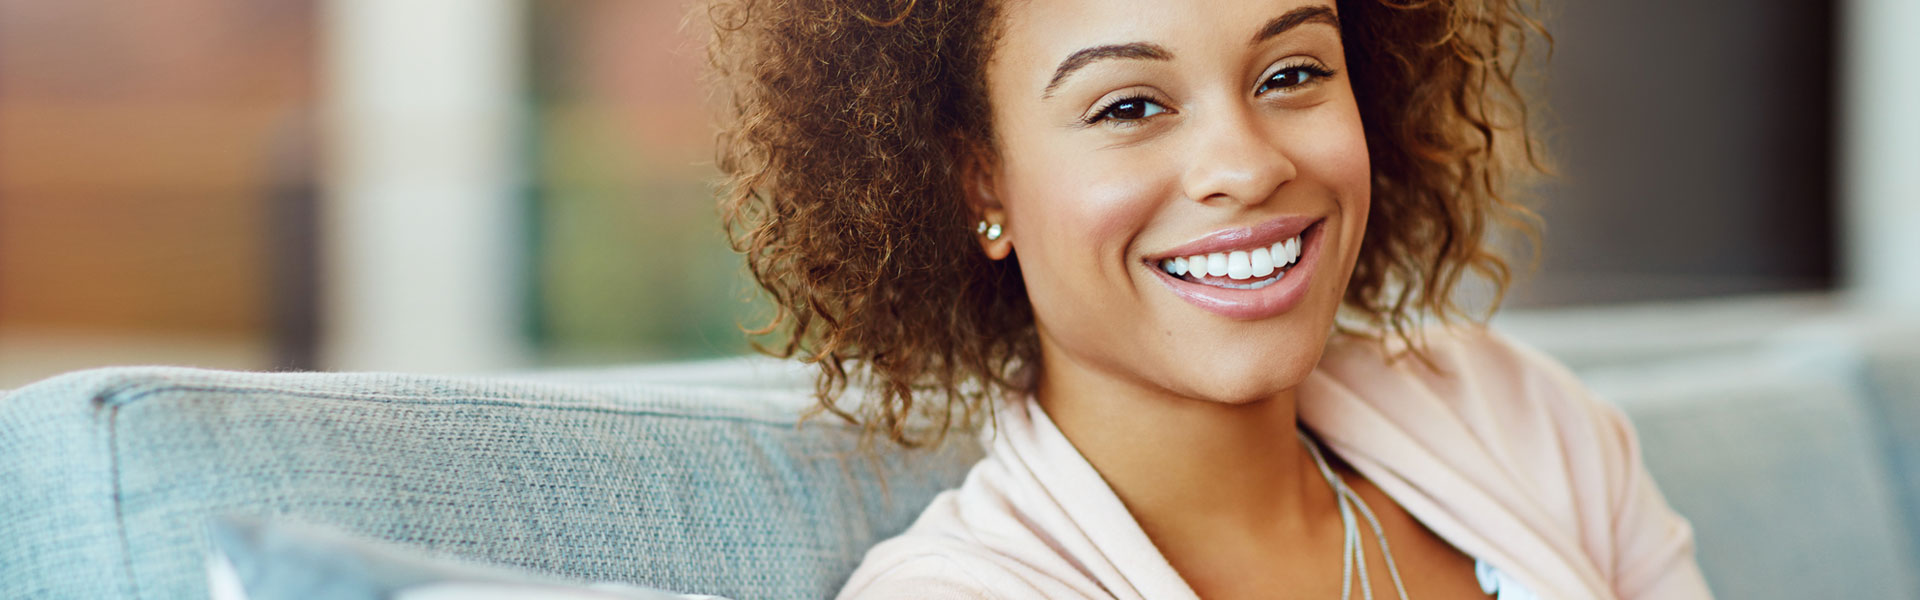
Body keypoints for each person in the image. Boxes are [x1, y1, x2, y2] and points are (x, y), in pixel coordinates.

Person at [708, 0, 1712, 597]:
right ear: (983, 184)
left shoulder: (1523, 420)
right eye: (1129, 105)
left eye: (1290, 73)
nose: (1244, 164)